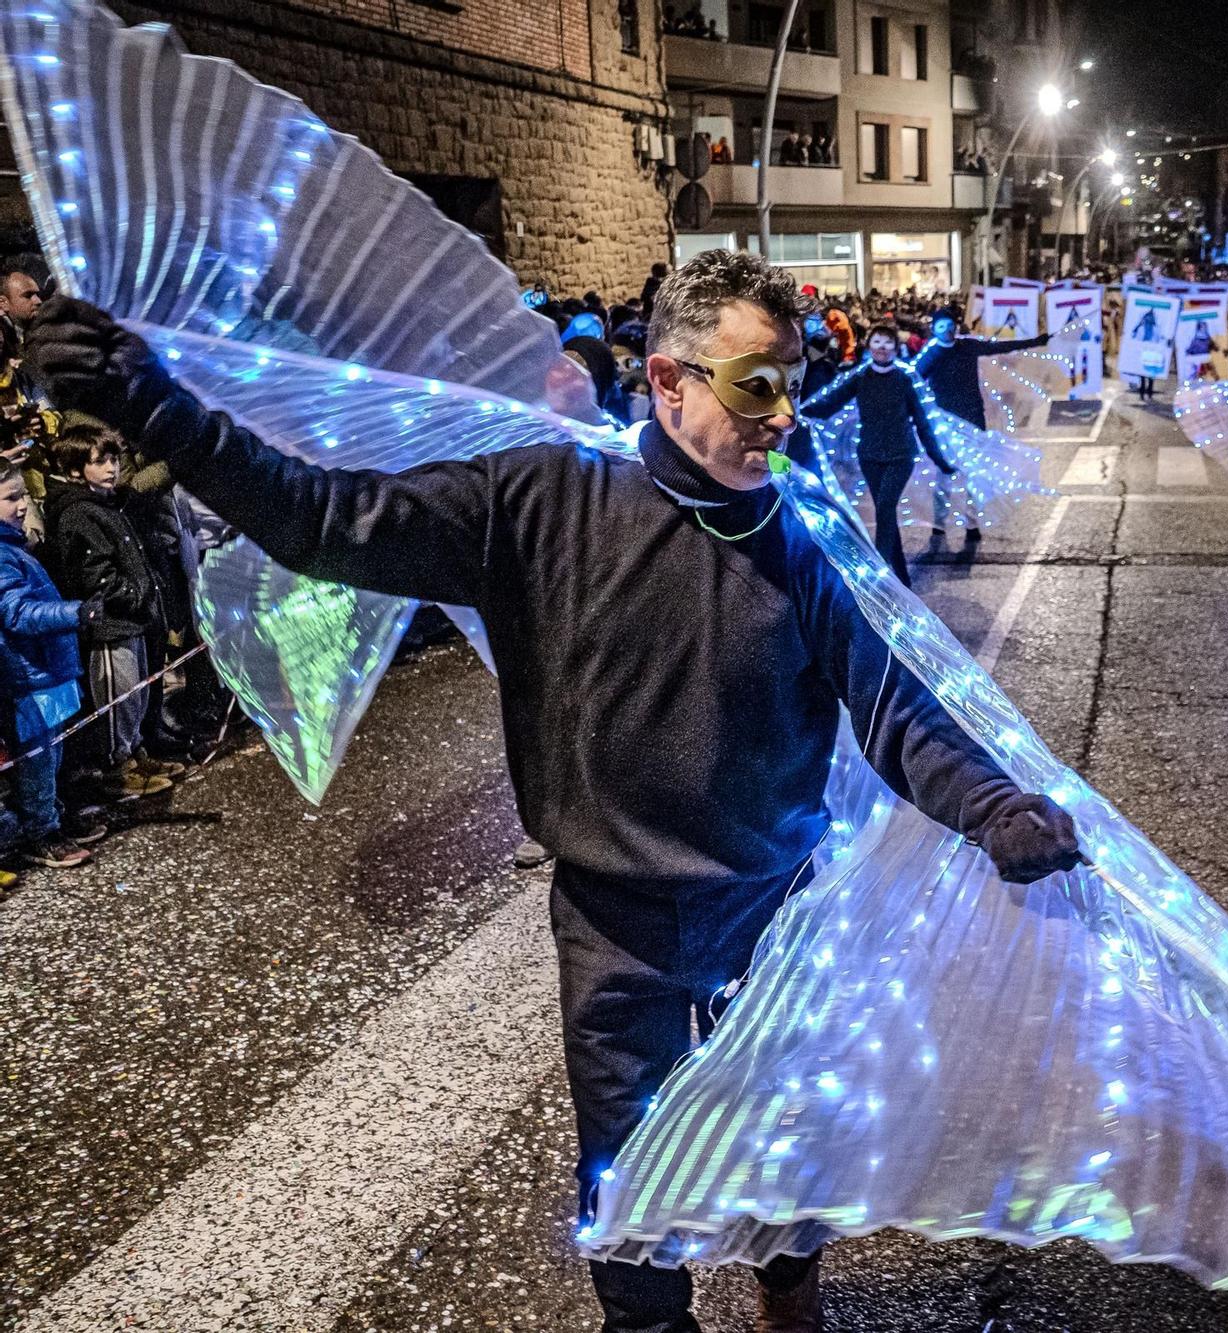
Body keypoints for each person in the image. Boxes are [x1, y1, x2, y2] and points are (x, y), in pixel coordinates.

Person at [24, 252, 1082, 1333]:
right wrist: (152, 405)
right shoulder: (535, 502)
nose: (783, 413)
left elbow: (895, 706)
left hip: (770, 916)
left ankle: (787, 1286)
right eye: (755, 383)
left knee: (779, 1140)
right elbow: (318, 516)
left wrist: (994, 808)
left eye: (794, 382)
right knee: (624, 1192)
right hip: (612, 928)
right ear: (667, 382)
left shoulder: (801, 540)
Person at [39, 424, 174, 803]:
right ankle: (118, 770)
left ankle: (135, 755)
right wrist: (132, 595)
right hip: (111, 626)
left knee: (136, 695)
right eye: (100, 462)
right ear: (76, 470)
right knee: (118, 698)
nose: (112, 468)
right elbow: (95, 575)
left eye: (114, 459)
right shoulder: (79, 512)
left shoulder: (109, 504)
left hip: (131, 619)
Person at [0, 460, 105, 867]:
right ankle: (40, 833)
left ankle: (52, 817)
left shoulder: (13, 547)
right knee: (36, 762)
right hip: (28, 680)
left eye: (23, 494)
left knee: (52, 754)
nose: (23, 505)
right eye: (11, 498)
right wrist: (73, 614)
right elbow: (18, 613)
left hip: (45, 674)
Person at [803, 322, 956, 586]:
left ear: (896, 348)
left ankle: (880, 573)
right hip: (870, 456)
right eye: (877, 341)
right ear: (869, 346)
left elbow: (922, 423)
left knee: (885, 506)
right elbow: (830, 402)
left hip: (901, 455)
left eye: (888, 342)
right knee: (886, 513)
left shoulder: (904, 379)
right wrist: (798, 413)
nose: (882, 347)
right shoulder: (860, 377)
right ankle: (902, 579)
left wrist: (940, 460)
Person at [913, 304, 1051, 547]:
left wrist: (1035, 341)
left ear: (955, 326)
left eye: (949, 325)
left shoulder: (967, 346)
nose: (947, 331)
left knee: (972, 473)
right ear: (934, 329)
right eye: (941, 326)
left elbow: (998, 347)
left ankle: (972, 525)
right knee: (944, 472)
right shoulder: (931, 353)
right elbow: (911, 378)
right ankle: (939, 524)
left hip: (973, 418)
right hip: (944, 423)